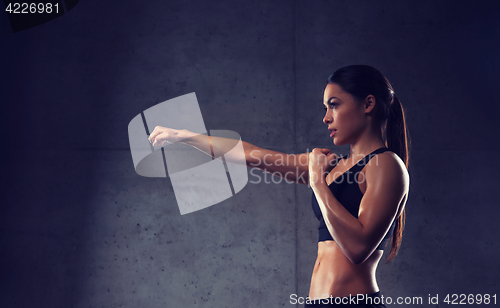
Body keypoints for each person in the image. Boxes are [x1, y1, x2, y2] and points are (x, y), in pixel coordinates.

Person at [148, 65, 410, 307]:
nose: (326, 118)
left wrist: (317, 182)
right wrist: (185, 136)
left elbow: (358, 249)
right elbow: (252, 155)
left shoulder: (386, 166)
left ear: (368, 104)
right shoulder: (330, 164)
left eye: (334, 105)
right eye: (325, 108)